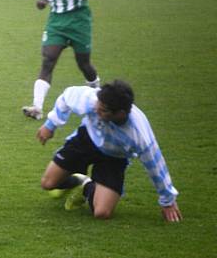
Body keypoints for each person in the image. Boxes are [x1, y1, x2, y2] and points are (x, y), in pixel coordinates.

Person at [36, 80, 182, 222]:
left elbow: (155, 166)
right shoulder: (93, 100)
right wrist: (51, 124)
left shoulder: (138, 134)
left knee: (102, 213)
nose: (96, 109)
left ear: (120, 113)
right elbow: (66, 96)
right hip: (85, 140)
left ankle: (86, 186)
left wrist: (167, 200)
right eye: (98, 105)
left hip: (114, 157)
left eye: (103, 110)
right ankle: (76, 179)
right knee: (47, 184)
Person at [23, 0, 112, 120]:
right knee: (48, 59)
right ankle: (37, 107)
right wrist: (42, 0)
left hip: (79, 19)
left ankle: (98, 95)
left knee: (84, 64)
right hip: (56, 20)